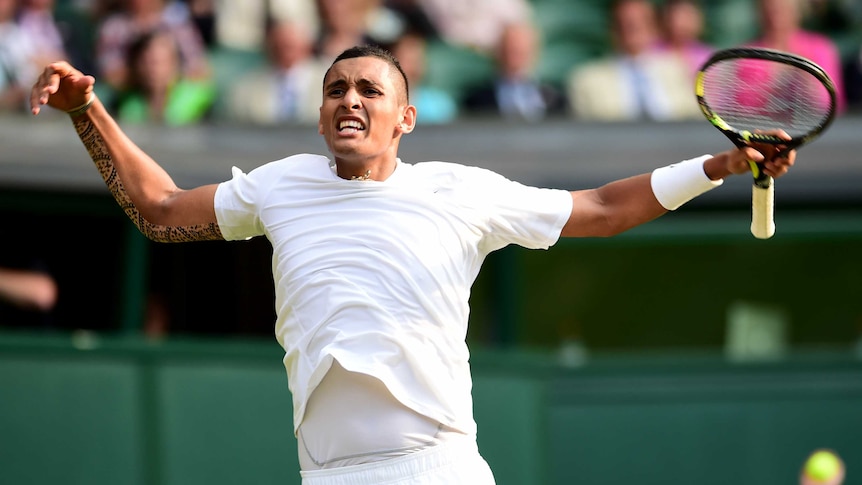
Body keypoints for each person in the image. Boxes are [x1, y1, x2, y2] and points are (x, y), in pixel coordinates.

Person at [30, 44, 795, 484]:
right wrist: (86, 111)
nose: (348, 100)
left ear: (407, 117)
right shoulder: (280, 184)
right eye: (335, 89)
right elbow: (160, 213)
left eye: (369, 89)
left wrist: (720, 166)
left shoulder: (459, 192)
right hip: (327, 476)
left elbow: (599, 210)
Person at [566, 0, 701, 122]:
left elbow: (693, 121)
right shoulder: (587, 80)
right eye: (624, 25)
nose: (632, 32)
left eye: (640, 24)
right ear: (612, 29)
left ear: (654, 27)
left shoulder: (677, 70)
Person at [750, 0, 847, 112]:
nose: (774, 17)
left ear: (797, 12)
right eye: (768, 10)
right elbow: (741, 107)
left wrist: (807, 82)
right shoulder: (747, 54)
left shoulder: (821, 48)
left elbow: (833, 104)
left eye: (781, 10)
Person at [225, 20, 326, 126]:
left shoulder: (332, 83)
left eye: (291, 45)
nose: (285, 51)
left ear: (309, 46)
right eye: (280, 44)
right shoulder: (246, 89)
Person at [462, 21, 565, 123]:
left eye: (520, 51)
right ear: (499, 51)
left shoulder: (554, 97)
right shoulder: (477, 100)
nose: (514, 56)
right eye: (510, 49)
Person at [112, 28, 215, 125]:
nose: (152, 69)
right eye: (146, 62)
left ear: (175, 64)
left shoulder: (200, 101)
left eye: (159, 62)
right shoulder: (125, 102)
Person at [654, 0, 714, 77]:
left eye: (689, 15)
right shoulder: (652, 52)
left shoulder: (707, 55)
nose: (684, 22)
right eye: (680, 15)